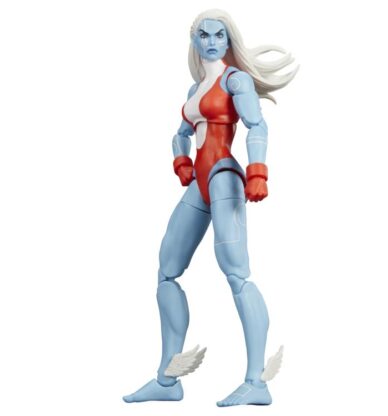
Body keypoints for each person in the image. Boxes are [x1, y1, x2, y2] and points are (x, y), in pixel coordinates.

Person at [123, 9, 297, 407]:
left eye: (220, 35)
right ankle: (168, 380)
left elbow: (257, 126)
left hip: (223, 175)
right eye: (205, 34)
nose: (213, 41)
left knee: (236, 272)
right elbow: (180, 134)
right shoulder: (196, 88)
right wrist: (180, 160)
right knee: (167, 270)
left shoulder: (235, 80)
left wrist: (258, 171)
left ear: (229, 40)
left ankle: (257, 381)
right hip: (200, 182)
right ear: (194, 40)